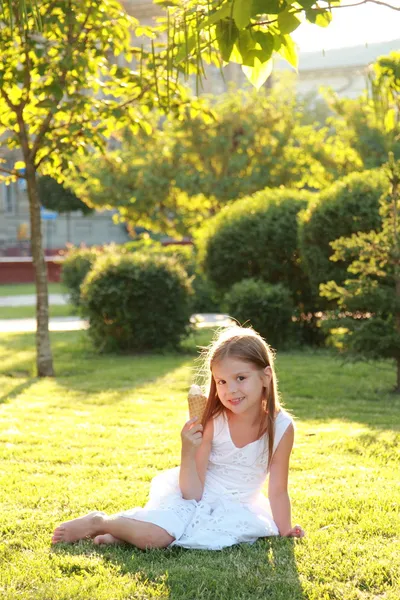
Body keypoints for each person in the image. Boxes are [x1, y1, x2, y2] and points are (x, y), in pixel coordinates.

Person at [52, 326, 305, 549]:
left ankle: (122, 534)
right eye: (222, 381)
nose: (231, 390)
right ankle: (99, 522)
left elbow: (278, 490)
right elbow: (191, 493)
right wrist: (188, 448)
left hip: (238, 507)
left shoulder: (282, 427)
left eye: (241, 378)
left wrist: (285, 531)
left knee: (173, 537)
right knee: (157, 538)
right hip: (195, 495)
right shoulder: (213, 420)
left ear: (265, 376)